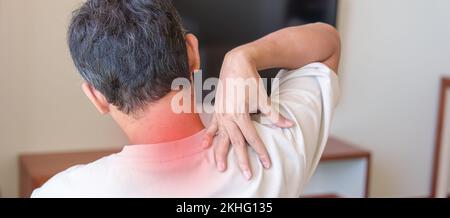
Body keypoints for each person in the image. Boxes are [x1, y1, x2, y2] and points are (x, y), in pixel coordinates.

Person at [31, 0, 340, 198]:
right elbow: (327, 43)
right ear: (193, 53)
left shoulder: (63, 192)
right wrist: (245, 55)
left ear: (96, 97)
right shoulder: (274, 150)